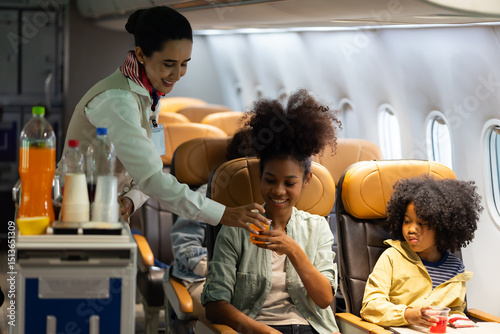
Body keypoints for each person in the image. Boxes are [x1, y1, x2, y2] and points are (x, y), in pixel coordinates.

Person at [58, 6, 269, 232]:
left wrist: (130, 199)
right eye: (169, 64)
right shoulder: (117, 102)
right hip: (77, 215)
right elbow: (152, 178)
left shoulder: (148, 93)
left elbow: (150, 168)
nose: (177, 75)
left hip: (108, 211)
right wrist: (224, 213)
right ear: (140, 54)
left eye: (185, 63)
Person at [201, 89, 342, 334]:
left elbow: (324, 299)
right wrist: (256, 329)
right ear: (259, 176)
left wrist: (293, 250)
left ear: (306, 180)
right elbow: (214, 305)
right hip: (259, 328)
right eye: (270, 180)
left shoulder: (317, 227)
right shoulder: (235, 228)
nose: (278, 191)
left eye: (289, 183)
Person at [360, 176, 483, 329]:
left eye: (422, 223)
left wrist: (458, 320)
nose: (411, 229)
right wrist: (408, 314)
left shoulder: (455, 268)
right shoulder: (392, 257)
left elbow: (454, 311)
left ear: (442, 228)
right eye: (407, 221)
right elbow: (370, 306)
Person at [165, 127, 255, 321]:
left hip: (248, 282)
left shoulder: (271, 201)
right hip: (200, 278)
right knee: (237, 314)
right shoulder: (208, 194)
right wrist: (222, 270)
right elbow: (185, 246)